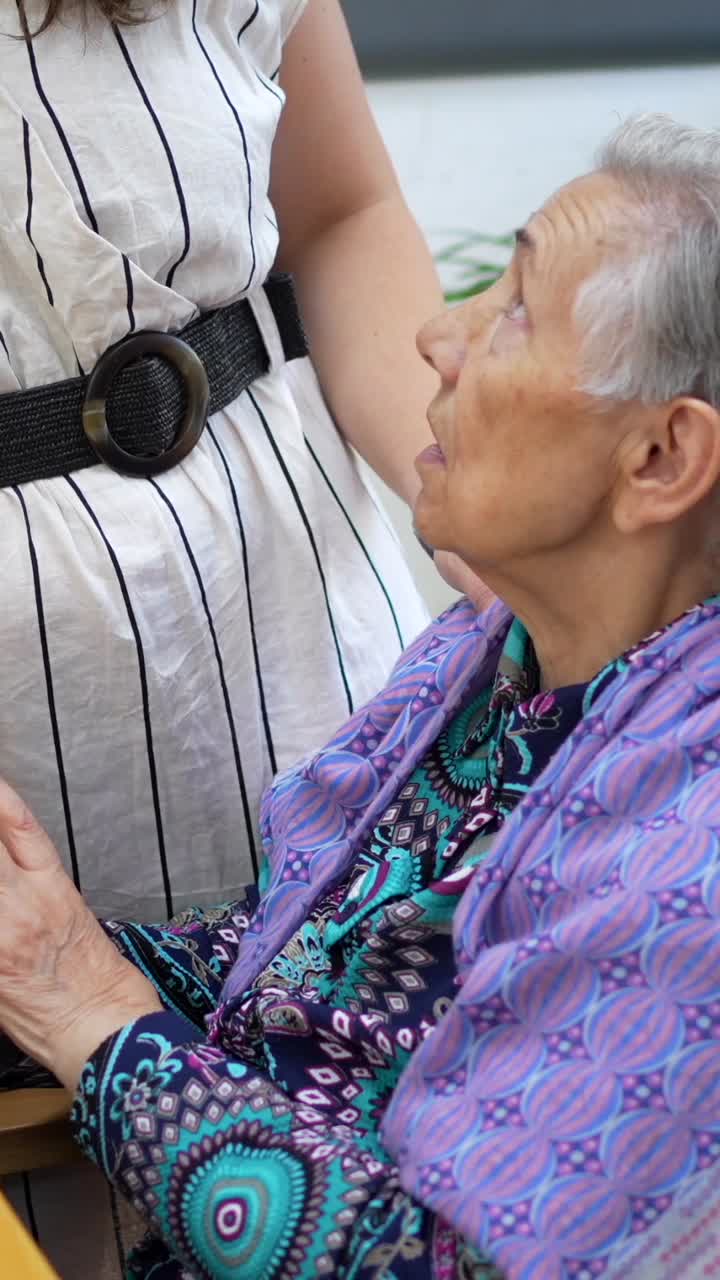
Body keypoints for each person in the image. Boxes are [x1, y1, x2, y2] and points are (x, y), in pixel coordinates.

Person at [3, 111, 720, 1279]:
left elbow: (430, 1266)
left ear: (661, 461)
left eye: (517, 312)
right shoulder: (497, 672)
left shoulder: (686, 870)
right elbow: (277, 971)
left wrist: (85, 1010)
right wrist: (40, 949)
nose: (441, 335)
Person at [0, 0, 463, 1269]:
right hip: (29, 732)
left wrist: (456, 483)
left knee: (374, 1124)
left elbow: (341, 212)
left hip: (310, 616)